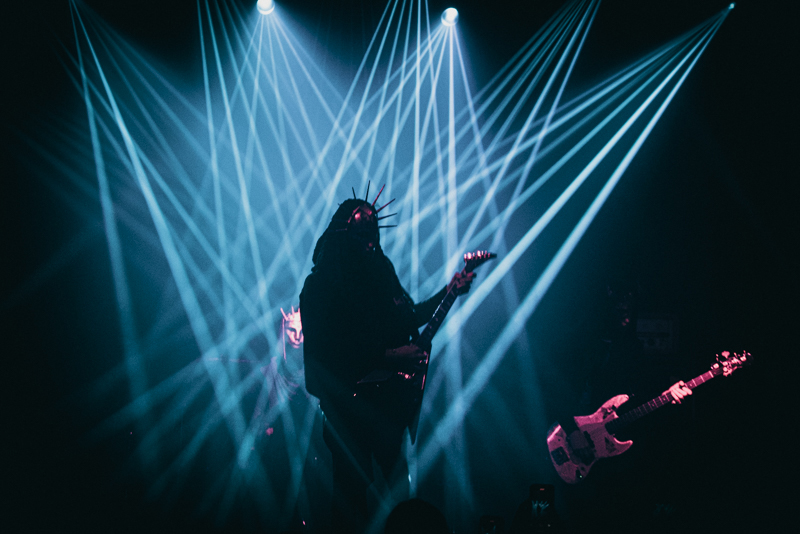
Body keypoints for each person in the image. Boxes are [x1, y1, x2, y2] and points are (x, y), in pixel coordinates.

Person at [299, 193, 473, 533]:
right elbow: (327, 355)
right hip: (346, 411)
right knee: (349, 502)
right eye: (361, 237)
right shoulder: (320, 286)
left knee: (399, 496)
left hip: (388, 408)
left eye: (372, 236)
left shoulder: (379, 273)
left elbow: (407, 318)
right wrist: (390, 356)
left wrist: (448, 292)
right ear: (343, 236)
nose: (369, 245)